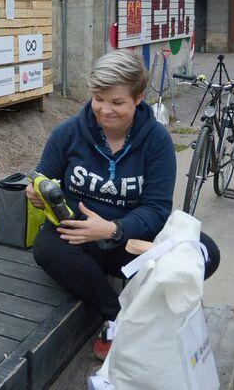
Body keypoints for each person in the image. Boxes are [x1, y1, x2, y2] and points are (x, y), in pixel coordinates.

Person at [27, 49, 220, 361]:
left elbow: (157, 209)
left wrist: (113, 229)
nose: (105, 110)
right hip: (78, 239)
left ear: (138, 97)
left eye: (117, 102)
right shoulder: (67, 133)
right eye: (99, 99)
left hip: (130, 241)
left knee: (205, 252)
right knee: (46, 247)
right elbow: (43, 177)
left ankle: (144, 301)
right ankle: (116, 316)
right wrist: (35, 193)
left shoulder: (156, 140)